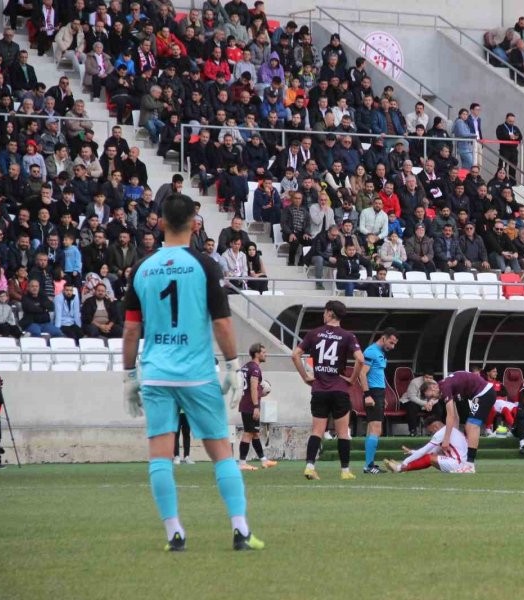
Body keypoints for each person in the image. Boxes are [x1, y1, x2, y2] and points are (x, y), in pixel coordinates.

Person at [121, 193, 263, 552]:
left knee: (160, 454)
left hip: (156, 374)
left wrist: (129, 376)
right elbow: (222, 323)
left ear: (161, 223)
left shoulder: (141, 268)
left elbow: (131, 329)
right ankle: (240, 530)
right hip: (197, 374)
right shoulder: (205, 266)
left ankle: (174, 533)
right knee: (221, 452)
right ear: (194, 225)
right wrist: (232, 365)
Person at [291, 300, 365, 481]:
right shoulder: (348, 336)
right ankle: (345, 471)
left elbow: (295, 355)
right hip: (339, 389)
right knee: (343, 432)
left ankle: (310, 467)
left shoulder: (314, 333)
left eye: (325, 312)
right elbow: (360, 359)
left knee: (317, 430)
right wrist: (352, 379)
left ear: (330, 313)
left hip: (319, 389)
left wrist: (305, 377)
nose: (323, 315)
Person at [419, 370, 499, 473]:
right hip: (483, 393)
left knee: (471, 426)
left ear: (433, 387)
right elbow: (456, 417)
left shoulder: (445, 388)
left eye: (431, 396)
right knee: (469, 427)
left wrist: (447, 440)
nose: (433, 398)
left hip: (484, 393)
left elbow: (450, 416)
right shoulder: (444, 387)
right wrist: (453, 437)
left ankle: (469, 465)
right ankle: (467, 463)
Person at [358, 328, 399, 474]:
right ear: (383, 338)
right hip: (373, 393)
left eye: (394, 344)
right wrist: (367, 395)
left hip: (378, 393)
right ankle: (368, 466)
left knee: (372, 430)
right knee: (376, 429)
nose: (392, 346)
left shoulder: (381, 353)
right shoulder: (371, 352)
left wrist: (383, 396)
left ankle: (368, 465)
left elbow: (378, 375)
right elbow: (362, 374)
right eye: (391, 342)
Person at [234, 343, 278, 471]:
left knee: (255, 433)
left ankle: (264, 460)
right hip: (250, 406)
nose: (265, 355)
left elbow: (245, 387)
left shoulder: (245, 367)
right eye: (263, 352)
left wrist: (260, 393)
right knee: (248, 433)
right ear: (257, 354)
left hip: (246, 402)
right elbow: (253, 387)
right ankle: (242, 463)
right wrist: (256, 406)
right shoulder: (255, 369)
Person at [383, 411, 468, 474]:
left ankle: (400, 468)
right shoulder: (448, 430)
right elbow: (432, 451)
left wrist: (406, 461)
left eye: (431, 431)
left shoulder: (441, 433)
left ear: (435, 427)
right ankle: (402, 467)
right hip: (461, 463)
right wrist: (412, 452)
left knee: (429, 458)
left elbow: (425, 451)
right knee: (431, 457)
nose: (432, 434)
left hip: (458, 463)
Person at [400, 371, 435, 436]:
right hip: (409, 401)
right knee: (412, 406)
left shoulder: (434, 383)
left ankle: (435, 430)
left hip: (426, 404)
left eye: (430, 378)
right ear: (423, 376)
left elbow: (436, 396)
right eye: (426, 377)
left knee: (438, 407)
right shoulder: (415, 382)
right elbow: (412, 397)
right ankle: (413, 431)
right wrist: (425, 404)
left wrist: (430, 403)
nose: (428, 379)